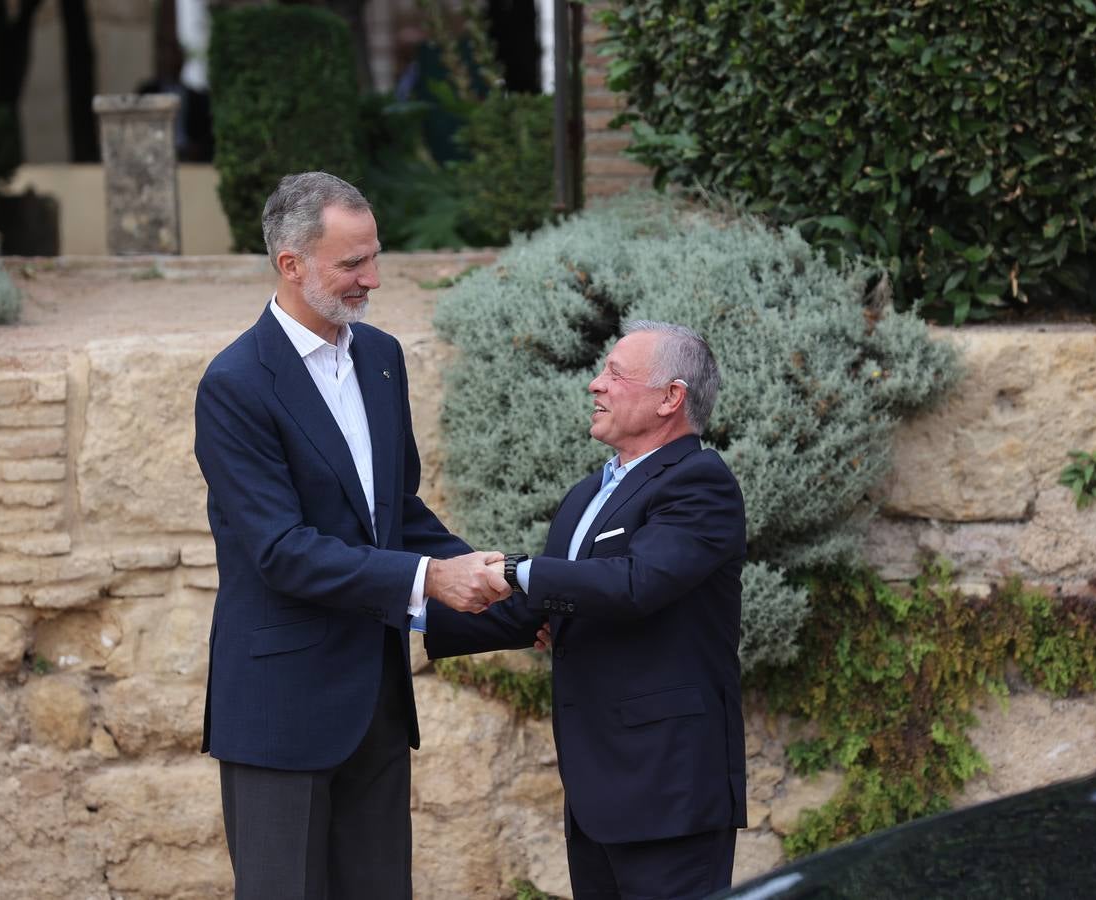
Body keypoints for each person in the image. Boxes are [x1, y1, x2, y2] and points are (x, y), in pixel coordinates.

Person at [193, 171, 510, 900]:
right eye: (351, 263)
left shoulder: (381, 357)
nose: (372, 278)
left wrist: (509, 589)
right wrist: (429, 580)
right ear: (291, 264)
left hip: (376, 701)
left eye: (374, 257)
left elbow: (396, 513)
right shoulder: (235, 384)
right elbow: (279, 550)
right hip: (280, 710)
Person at [427, 321, 749, 900]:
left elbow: (635, 584)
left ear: (671, 398)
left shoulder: (701, 483)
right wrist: (412, 597)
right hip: (598, 788)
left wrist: (511, 569)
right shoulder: (586, 495)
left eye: (615, 375)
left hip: (668, 788)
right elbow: (540, 609)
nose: (595, 385)